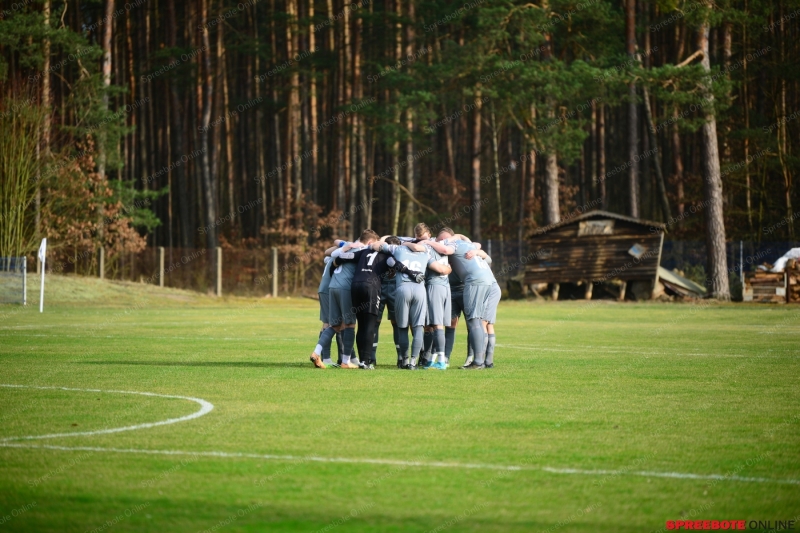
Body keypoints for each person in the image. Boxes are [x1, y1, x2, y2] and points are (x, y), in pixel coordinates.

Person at [332, 236, 424, 369]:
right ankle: (366, 361)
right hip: (371, 288)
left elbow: (345, 256)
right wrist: (412, 274)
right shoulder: (387, 256)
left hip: (355, 286)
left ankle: (362, 360)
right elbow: (398, 265)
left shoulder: (364, 252)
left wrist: (333, 265)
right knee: (370, 324)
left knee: (361, 324)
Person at [309, 230, 378, 369]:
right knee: (350, 324)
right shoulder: (363, 251)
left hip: (332, 286)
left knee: (334, 325)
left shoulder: (348, 247)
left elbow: (332, 254)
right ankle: (346, 361)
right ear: (370, 242)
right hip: (345, 288)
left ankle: (316, 353)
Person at [432, 229, 498, 370]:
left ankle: (478, 361)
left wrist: (429, 242)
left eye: (444, 240)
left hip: (475, 282)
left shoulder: (453, 245)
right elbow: (480, 250)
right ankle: (480, 360)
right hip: (488, 282)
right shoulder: (467, 245)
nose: (442, 242)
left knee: (474, 321)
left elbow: (446, 248)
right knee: (477, 321)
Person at [380, 239, 451, 369]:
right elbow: (441, 269)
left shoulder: (398, 249)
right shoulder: (426, 253)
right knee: (418, 327)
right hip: (420, 289)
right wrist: (449, 268)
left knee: (402, 327)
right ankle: (413, 362)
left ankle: (405, 361)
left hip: (402, 288)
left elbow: (377, 245)